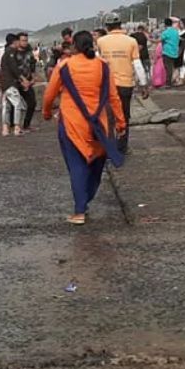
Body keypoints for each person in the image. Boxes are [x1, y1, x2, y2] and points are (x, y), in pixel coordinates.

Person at [42, 31, 126, 225]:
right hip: (99, 126)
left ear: (74, 47)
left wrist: (46, 113)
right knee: (96, 165)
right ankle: (85, 199)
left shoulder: (64, 65)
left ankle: (80, 210)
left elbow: (49, 94)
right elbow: (113, 97)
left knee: (77, 165)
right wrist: (121, 123)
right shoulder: (103, 67)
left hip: (72, 124)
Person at [96, 18, 140, 152]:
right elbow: (137, 65)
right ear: (120, 25)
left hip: (107, 85)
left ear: (107, 27)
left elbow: (98, 62)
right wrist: (143, 85)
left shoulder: (100, 41)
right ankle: (122, 146)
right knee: (124, 115)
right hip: (126, 84)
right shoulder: (131, 41)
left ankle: (109, 146)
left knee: (108, 117)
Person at [0, 33, 25, 136]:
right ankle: (17, 127)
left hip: (4, 83)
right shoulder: (11, 52)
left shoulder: (6, 53)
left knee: (6, 106)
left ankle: (5, 128)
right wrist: (23, 79)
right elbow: (14, 68)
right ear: (14, 42)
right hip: (10, 83)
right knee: (18, 104)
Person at [159, 18, 181, 86]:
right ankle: (171, 81)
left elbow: (160, 40)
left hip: (167, 52)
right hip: (174, 52)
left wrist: (149, 39)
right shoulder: (176, 32)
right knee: (171, 68)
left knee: (168, 68)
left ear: (165, 24)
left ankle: (168, 83)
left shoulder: (165, 32)